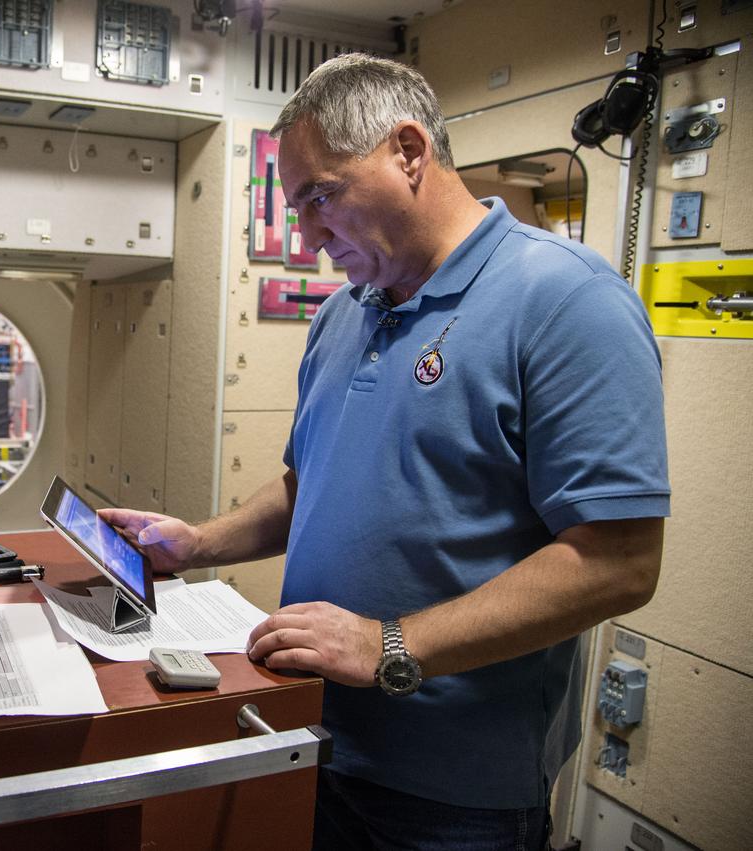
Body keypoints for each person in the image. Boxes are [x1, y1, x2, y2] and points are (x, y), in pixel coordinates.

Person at [102, 54, 669, 849]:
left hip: (454, 790)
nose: (306, 236)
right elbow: (308, 483)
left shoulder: (566, 299)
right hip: (314, 732)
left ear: (407, 150)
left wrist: (387, 644)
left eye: (320, 197)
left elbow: (617, 561)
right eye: (296, 207)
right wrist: (198, 542)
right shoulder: (343, 314)